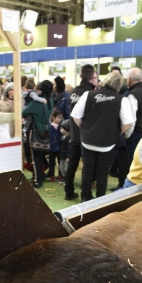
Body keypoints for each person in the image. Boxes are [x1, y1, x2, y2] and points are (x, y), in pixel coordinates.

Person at [71, 71, 133, 201]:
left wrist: (84, 128)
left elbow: (75, 115)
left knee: (87, 170)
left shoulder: (88, 94)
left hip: (87, 139)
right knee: (102, 172)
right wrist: (117, 133)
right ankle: (100, 200)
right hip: (108, 143)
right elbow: (128, 123)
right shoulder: (122, 100)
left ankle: (85, 198)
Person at [64, 64, 96, 201]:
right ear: (91, 77)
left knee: (72, 164)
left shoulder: (73, 92)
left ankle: (68, 191)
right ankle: (85, 194)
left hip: (74, 135)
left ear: (81, 76)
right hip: (87, 136)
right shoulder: (92, 94)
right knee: (88, 167)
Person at [22, 80, 54, 189]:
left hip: (36, 132)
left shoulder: (37, 102)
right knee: (42, 156)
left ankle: (37, 180)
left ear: (40, 90)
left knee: (35, 157)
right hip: (46, 132)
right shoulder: (50, 101)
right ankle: (42, 175)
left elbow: (24, 112)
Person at [48, 109, 63, 181]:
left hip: (60, 147)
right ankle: (52, 176)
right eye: (58, 118)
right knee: (51, 162)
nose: (60, 119)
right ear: (53, 117)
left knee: (60, 162)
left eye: (61, 118)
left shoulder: (62, 126)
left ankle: (60, 175)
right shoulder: (49, 126)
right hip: (52, 147)